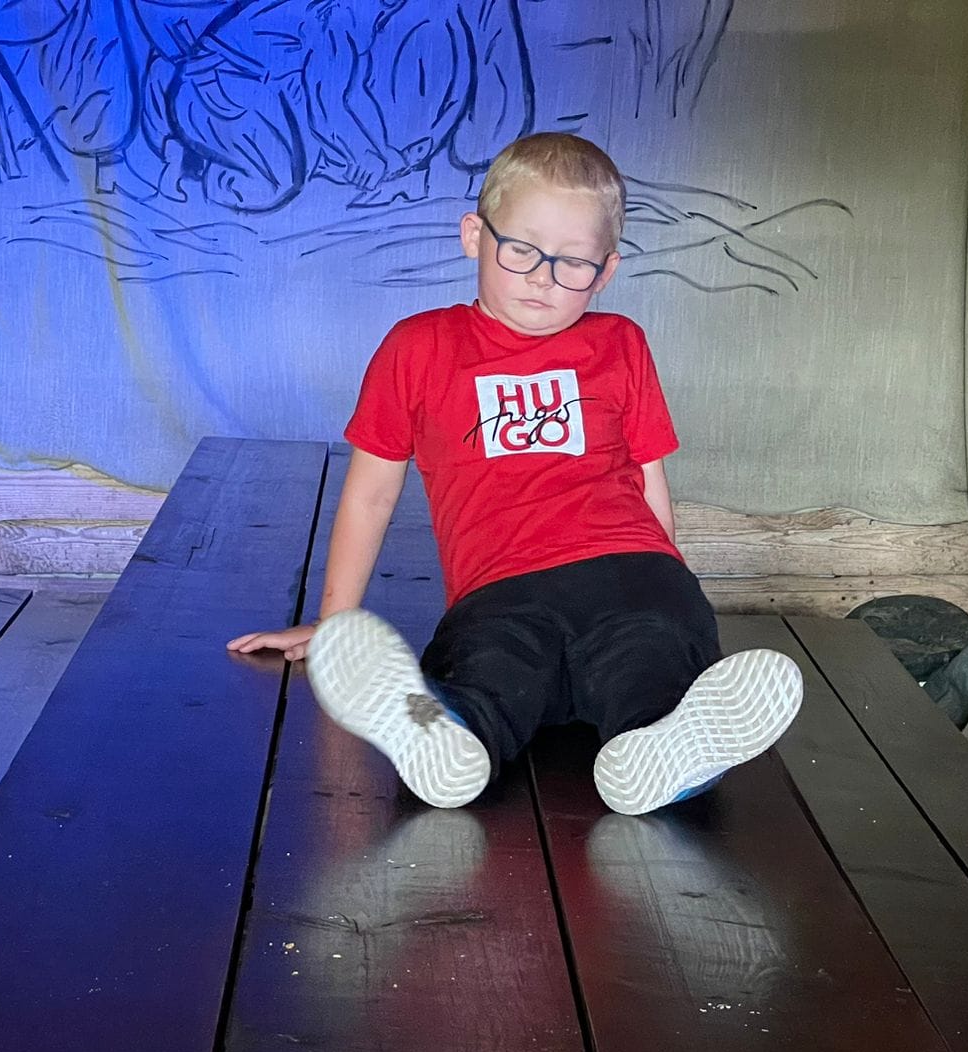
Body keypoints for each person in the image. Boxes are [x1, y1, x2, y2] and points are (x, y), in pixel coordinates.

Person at [227, 131, 801, 814]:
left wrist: (667, 585)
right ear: (474, 236)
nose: (543, 276)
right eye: (522, 249)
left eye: (573, 263)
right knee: (487, 679)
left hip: (630, 574)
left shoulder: (621, 343)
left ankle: (665, 748)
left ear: (606, 271)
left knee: (653, 674)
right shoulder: (418, 347)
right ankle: (435, 730)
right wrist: (336, 621)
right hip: (500, 593)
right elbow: (371, 495)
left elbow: (649, 479)